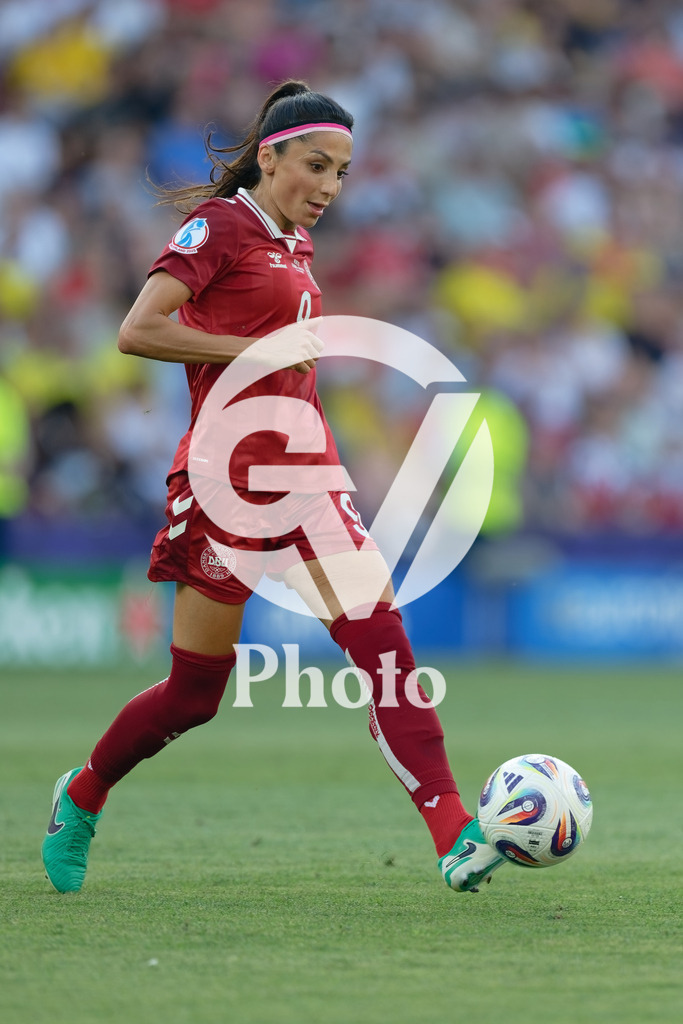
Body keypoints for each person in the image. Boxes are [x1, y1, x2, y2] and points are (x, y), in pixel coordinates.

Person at [41, 80, 507, 896]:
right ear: (271, 155)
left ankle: (454, 834)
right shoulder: (218, 228)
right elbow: (139, 328)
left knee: (385, 653)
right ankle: (81, 795)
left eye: (342, 174)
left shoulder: (294, 244)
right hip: (222, 486)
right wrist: (252, 352)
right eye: (316, 166)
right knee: (194, 694)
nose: (328, 187)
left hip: (305, 480)